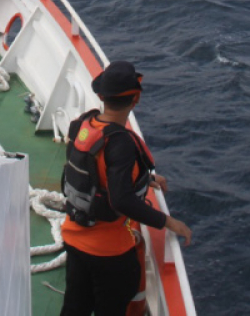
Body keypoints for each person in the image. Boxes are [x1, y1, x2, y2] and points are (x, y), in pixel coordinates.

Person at [59, 61, 193, 316]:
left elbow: (92, 172)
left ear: (101, 96)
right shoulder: (121, 144)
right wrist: (168, 222)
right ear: (136, 99)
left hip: (74, 240)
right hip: (108, 254)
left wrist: (144, 180)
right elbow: (121, 201)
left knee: (75, 308)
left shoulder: (81, 126)